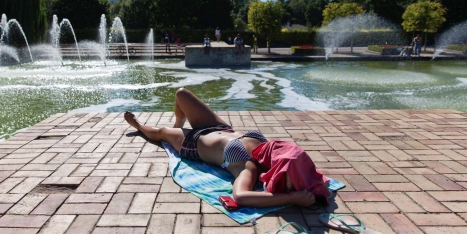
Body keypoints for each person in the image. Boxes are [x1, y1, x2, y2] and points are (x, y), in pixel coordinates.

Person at [124, 88, 329, 208]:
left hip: (193, 144)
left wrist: (292, 197)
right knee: (181, 94)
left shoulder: (249, 167)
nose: (279, 152)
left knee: (161, 132)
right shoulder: (269, 148)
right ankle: (178, 123)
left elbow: (240, 196)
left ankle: (139, 126)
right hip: (219, 127)